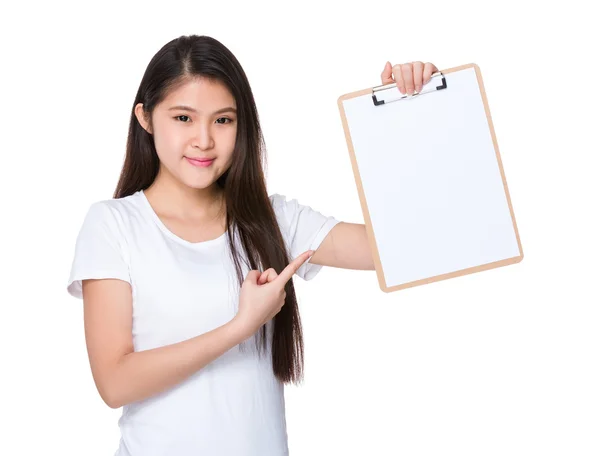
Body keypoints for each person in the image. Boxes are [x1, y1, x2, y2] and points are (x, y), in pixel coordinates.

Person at [66, 34, 437, 456]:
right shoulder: (113, 225)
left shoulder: (270, 219)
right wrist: (239, 328)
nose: (204, 140)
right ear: (146, 118)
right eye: (183, 118)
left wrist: (411, 116)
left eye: (223, 120)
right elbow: (115, 382)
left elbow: (407, 245)